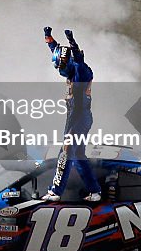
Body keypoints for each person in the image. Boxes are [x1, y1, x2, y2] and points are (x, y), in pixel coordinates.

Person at [42, 26, 102, 202]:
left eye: (61, 64)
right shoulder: (70, 68)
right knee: (78, 156)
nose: (59, 68)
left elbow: (78, 58)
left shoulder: (81, 71)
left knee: (66, 152)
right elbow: (56, 50)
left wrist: (72, 42)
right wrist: (48, 37)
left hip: (81, 117)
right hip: (74, 117)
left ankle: (55, 191)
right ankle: (95, 191)